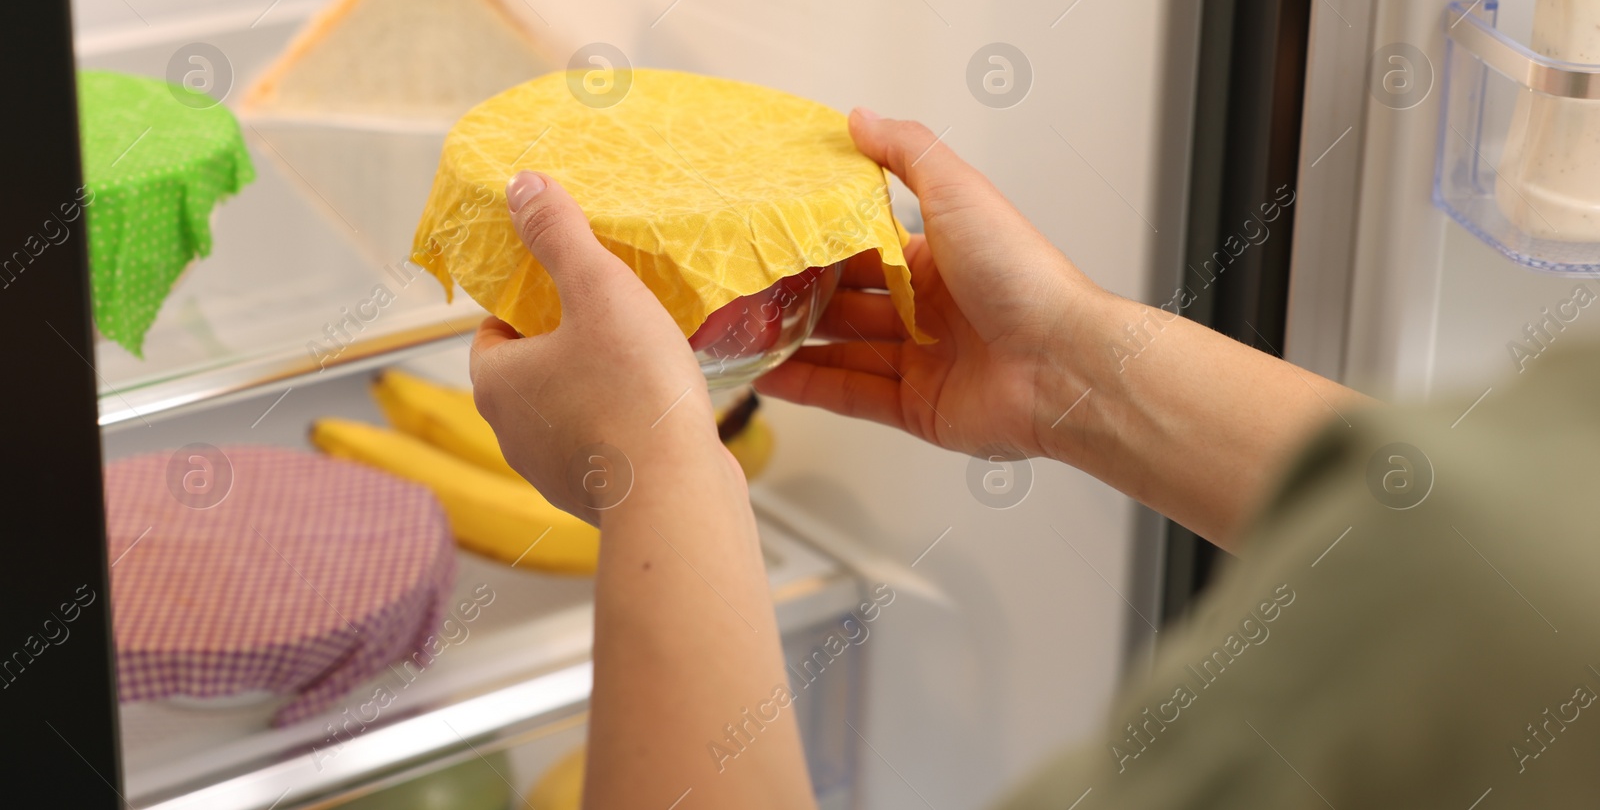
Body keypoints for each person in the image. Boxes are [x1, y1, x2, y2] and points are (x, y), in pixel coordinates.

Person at [472, 109, 1600, 808]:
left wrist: (658, 464)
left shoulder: (1505, 638)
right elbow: (1460, 528)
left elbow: (1487, 575)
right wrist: (1064, 366)